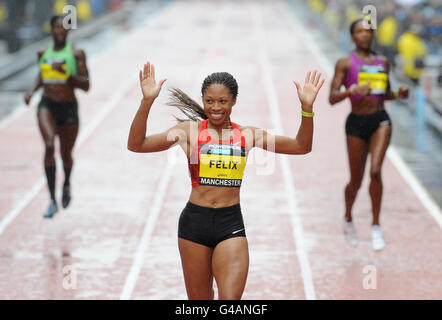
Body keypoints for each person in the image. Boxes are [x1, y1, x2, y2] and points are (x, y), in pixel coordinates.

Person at [128, 62, 324, 299]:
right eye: (209, 101)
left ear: (233, 102)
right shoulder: (188, 132)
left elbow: (301, 146)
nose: (215, 107)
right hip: (194, 225)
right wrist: (146, 102)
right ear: (203, 100)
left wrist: (306, 108)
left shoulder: (248, 135)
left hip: (229, 224)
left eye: (222, 101)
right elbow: (136, 145)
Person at [329, 18, 409, 251]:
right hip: (356, 123)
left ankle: (376, 226)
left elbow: (383, 94)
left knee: (375, 172)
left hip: (380, 120)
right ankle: (348, 217)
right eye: (359, 31)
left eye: (368, 31)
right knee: (356, 180)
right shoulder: (344, 64)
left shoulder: (382, 62)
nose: (365, 35)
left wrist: (399, 93)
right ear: (352, 36)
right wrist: (351, 91)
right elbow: (332, 98)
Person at [24, 15, 90, 218]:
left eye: (64, 28)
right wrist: (32, 91)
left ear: (68, 31)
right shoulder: (43, 53)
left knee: (66, 155)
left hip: (69, 108)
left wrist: (68, 76)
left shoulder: (77, 54)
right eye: (57, 28)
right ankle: (52, 200)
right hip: (48, 106)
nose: (61, 31)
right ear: (51, 30)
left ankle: (67, 184)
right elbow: (42, 75)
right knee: (50, 145)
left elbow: (86, 85)